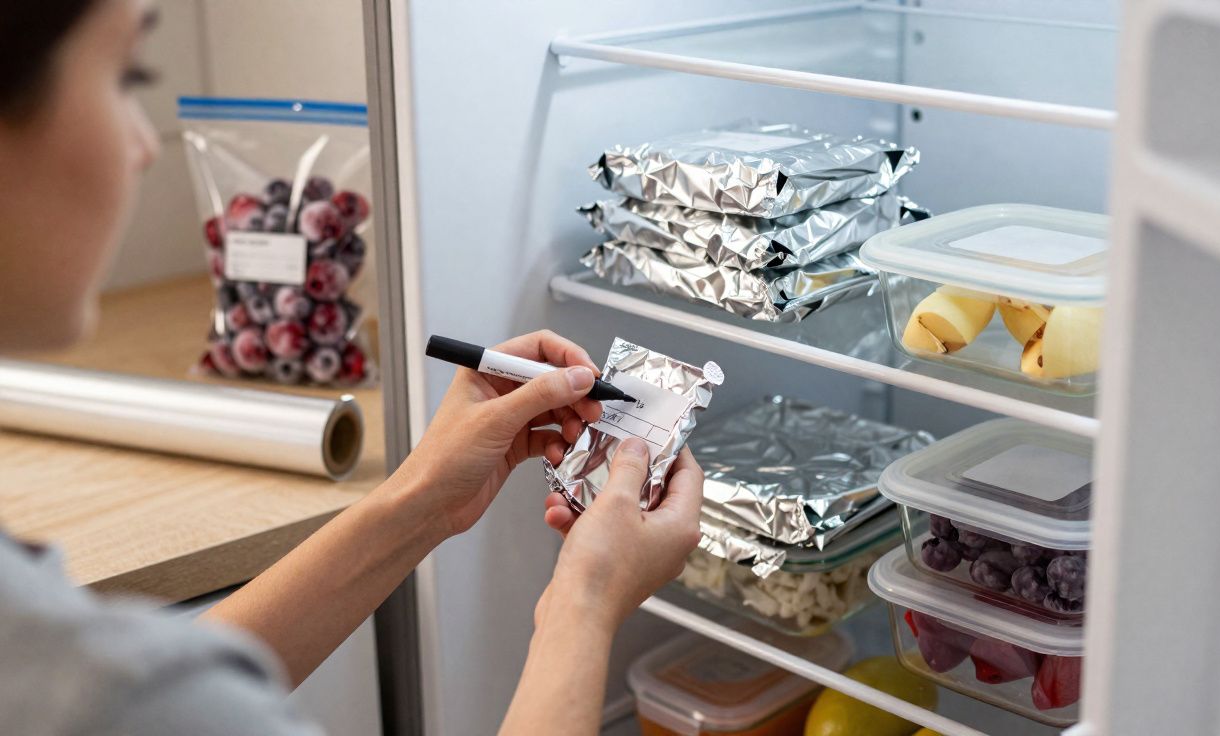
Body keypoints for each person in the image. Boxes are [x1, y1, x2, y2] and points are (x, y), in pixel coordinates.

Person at [0, 2, 704, 734]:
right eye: (125, 75)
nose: (146, 144)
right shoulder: (103, 689)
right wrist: (584, 603)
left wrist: (427, 497)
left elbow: (170, 686)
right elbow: (151, 701)